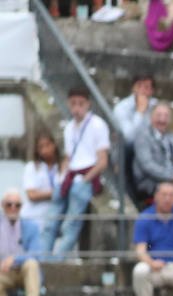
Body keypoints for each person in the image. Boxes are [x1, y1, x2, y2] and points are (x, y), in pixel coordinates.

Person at [45, 87, 111, 257]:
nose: (76, 108)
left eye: (80, 104)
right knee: (50, 222)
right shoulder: (69, 127)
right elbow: (68, 157)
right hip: (69, 177)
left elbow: (102, 161)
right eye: (73, 104)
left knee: (71, 224)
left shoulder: (97, 125)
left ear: (87, 104)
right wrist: (61, 177)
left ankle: (56, 262)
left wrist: (84, 180)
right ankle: (42, 259)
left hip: (84, 178)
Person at [22, 130, 61, 256]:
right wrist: (55, 192)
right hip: (32, 218)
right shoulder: (32, 167)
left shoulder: (62, 167)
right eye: (40, 147)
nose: (44, 150)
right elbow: (31, 195)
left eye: (47, 145)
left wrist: (43, 194)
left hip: (51, 220)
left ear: (54, 145)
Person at [0, 189, 40, 296]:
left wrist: (14, 259)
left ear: (21, 207)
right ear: (2, 205)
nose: (13, 207)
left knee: (31, 263)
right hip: (4, 272)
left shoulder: (31, 226)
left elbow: (36, 255)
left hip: (24, 271)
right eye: (9, 204)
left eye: (17, 205)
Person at [112, 74, 158, 142]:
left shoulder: (156, 105)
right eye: (139, 86)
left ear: (152, 91)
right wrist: (140, 112)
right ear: (133, 88)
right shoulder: (121, 108)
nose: (142, 91)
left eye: (146, 87)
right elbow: (129, 137)